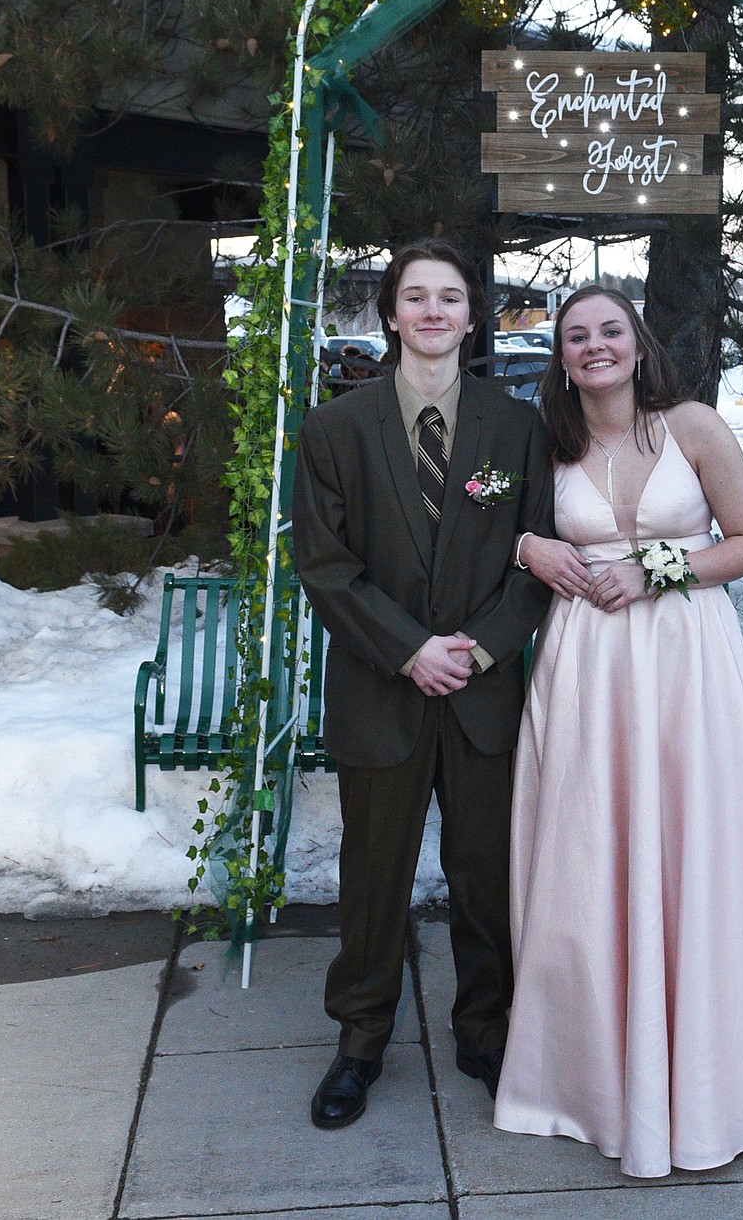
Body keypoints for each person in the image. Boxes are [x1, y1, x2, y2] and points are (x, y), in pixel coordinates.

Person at [493, 285, 743, 1178]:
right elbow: (490, 526)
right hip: (586, 667)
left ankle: (719, 1077)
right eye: (577, 337)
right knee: (591, 858)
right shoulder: (548, 443)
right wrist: (527, 547)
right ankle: (589, 1081)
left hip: (686, 659)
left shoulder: (692, 426)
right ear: (562, 356)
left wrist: (658, 570)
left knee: (699, 848)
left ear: (638, 342)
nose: (595, 347)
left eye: (609, 330)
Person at [292, 238, 554, 1130]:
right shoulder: (335, 428)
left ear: (473, 316)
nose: (433, 312)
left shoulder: (516, 428)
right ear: (392, 315)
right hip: (382, 689)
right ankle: (359, 1042)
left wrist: (477, 649)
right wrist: (411, 650)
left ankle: (486, 1032)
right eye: (415, 297)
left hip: (482, 696)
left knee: (486, 875)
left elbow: (535, 559)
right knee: (373, 877)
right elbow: (325, 568)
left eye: (451, 297)